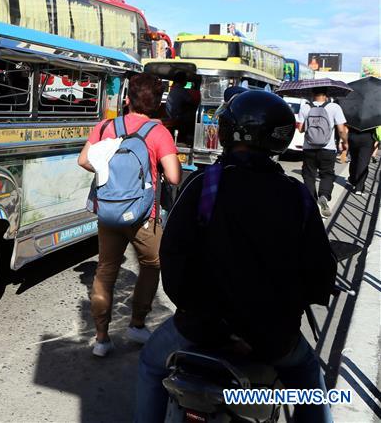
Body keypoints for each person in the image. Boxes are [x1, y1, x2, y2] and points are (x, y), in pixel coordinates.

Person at [135, 91, 336, 423]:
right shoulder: (297, 196)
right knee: (310, 377)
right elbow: (319, 272)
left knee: (150, 365)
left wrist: (206, 319)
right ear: (280, 138)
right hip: (272, 337)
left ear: (228, 132)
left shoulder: (203, 184)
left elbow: (172, 258)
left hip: (200, 328)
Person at [78, 73, 182, 357]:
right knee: (152, 263)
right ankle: (137, 324)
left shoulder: (104, 127)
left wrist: (109, 174)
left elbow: (83, 160)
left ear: (128, 99)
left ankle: (101, 338)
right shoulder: (157, 132)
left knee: (105, 270)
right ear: (157, 103)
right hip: (142, 216)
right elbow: (173, 177)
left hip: (108, 212)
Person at [297, 89, 348, 217]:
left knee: (309, 175)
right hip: (328, 148)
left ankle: (310, 202)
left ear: (312, 94)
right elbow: (341, 130)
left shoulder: (305, 107)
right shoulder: (334, 107)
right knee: (327, 174)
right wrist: (345, 142)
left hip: (309, 148)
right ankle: (324, 196)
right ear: (326, 95)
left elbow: (300, 129)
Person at [347, 125, 377, 196]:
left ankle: (352, 179)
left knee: (354, 160)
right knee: (363, 163)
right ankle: (359, 188)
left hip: (353, 136)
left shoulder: (353, 114)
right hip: (367, 137)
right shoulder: (374, 115)